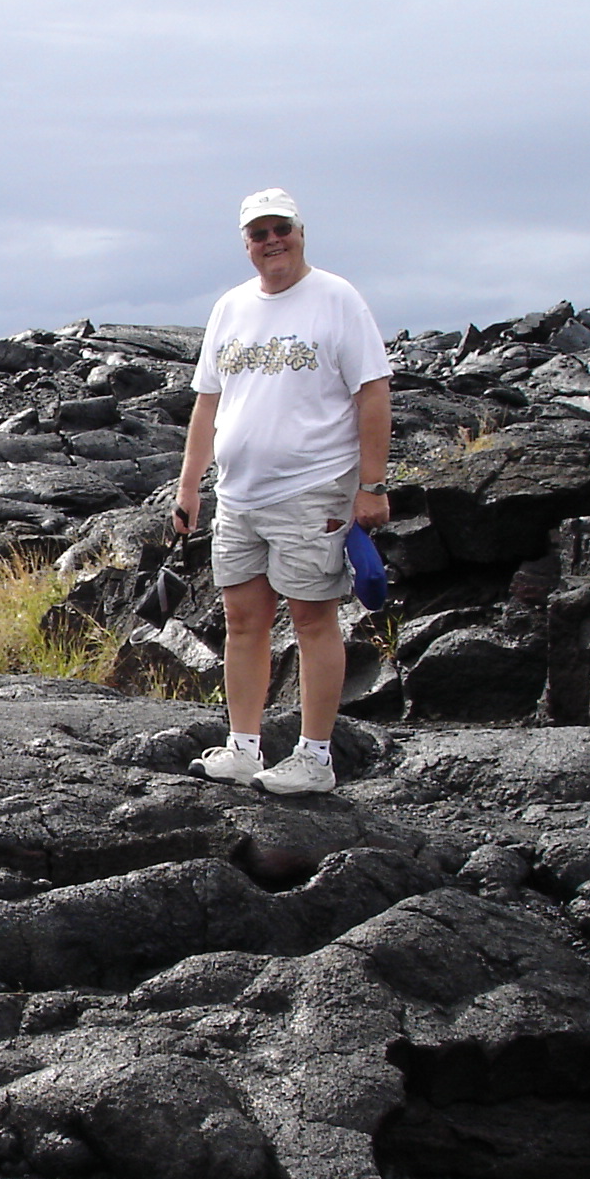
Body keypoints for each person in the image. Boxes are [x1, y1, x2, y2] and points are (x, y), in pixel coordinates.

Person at [170, 187, 392, 796]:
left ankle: (315, 758)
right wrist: (190, 486)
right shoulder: (231, 308)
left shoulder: (336, 299)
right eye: (258, 234)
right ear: (246, 244)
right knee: (242, 620)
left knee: (313, 617)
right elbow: (207, 402)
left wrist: (370, 486)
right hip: (239, 494)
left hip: (315, 486)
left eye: (280, 230)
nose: (272, 242)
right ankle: (243, 747)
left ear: (300, 231)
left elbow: (372, 393)